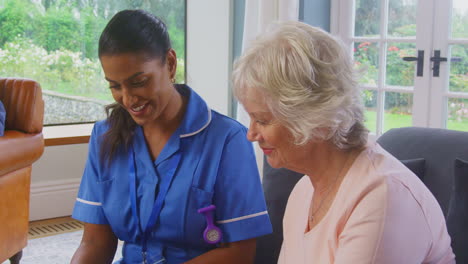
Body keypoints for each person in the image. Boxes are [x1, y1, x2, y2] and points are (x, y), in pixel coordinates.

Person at [233, 21, 455, 264]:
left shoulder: (382, 197)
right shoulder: (304, 191)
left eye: (262, 120)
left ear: (314, 117)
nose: (251, 134)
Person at [71, 9, 272, 264]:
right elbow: (95, 242)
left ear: (170, 64)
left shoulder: (228, 140)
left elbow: (240, 254)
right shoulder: (104, 137)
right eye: (115, 86)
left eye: (138, 82)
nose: (128, 98)